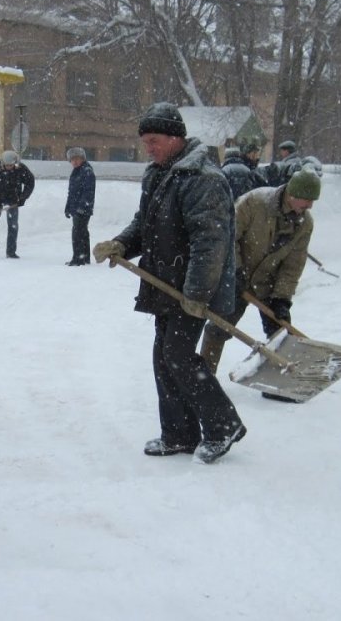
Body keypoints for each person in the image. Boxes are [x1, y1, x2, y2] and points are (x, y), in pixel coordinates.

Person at [92, 102, 245, 464]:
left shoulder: (203, 179)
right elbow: (144, 224)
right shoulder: (159, 174)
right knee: (164, 358)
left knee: (176, 356)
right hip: (165, 284)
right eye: (146, 141)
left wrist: (197, 294)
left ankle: (224, 425)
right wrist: (122, 244)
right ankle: (179, 434)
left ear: (176, 138)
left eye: (154, 140)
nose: (149, 148)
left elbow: (210, 244)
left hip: (189, 289)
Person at [198, 167, 320, 402]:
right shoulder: (254, 202)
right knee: (219, 326)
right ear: (293, 194)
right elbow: (227, 237)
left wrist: (282, 298)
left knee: (281, 332)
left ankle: (276, 385)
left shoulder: (304, 223)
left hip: (268, 284)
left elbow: (293, 264)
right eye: (307, 200)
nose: (310, 206)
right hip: (236, 277)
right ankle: (204, 378)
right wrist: (234, 272)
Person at [0, 150, 35, 260]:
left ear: (15, 163)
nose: (9, 167)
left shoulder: (21, 169)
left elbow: (30, 182)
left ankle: (11, 252)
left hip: (14, 202)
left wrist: (23, 197)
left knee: (13, 226)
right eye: (6, 165)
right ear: (2, 163)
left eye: (11, 165)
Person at [64, 146, 96, 266]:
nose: (75, 161)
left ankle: (78, 258)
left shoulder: (87, 171)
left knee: (77, 233)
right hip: (76, 208)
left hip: (83, 209)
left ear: (83, 159)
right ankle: (84, 258)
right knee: (82, 232)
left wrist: (82, 207)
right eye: (72, 159)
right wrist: (68, 207)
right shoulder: (76, 172)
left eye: (78, 158)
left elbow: (88, 192)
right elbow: (71, 192)